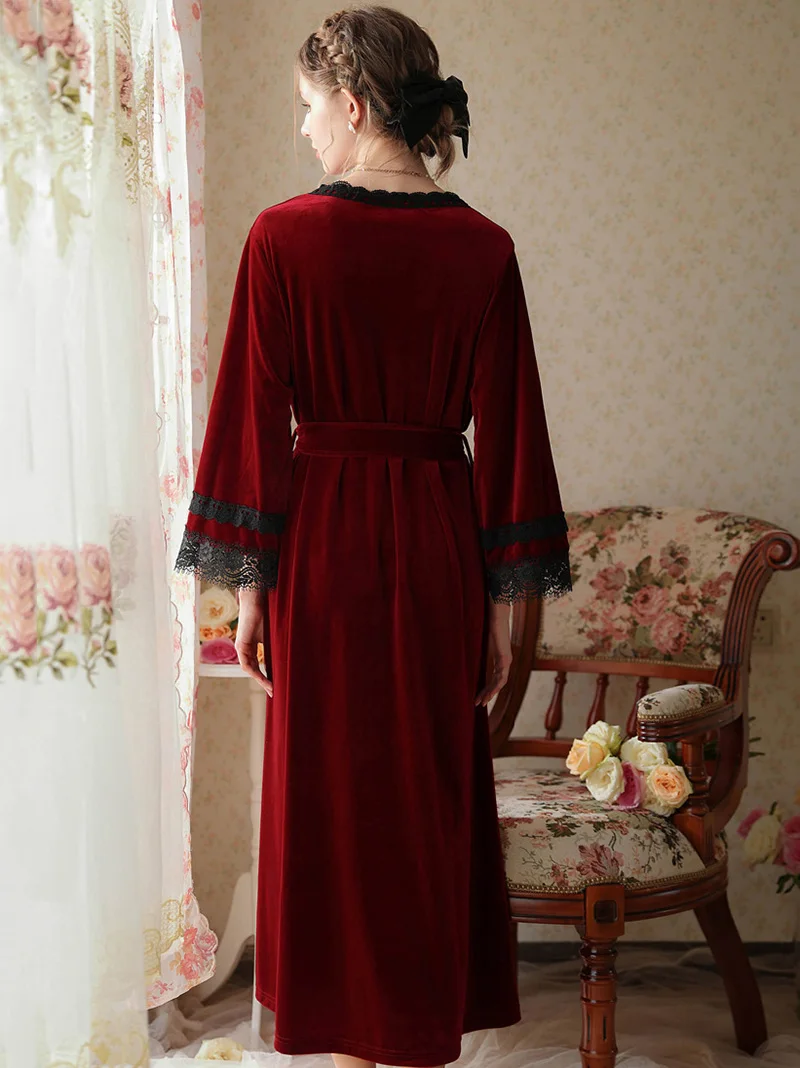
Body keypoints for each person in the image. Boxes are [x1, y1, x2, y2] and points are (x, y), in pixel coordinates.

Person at [175, 6, 572, 1067]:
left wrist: (250, 593)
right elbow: (513, 437)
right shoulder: (483, 248)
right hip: (441, 548)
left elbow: (252, 422)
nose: (302, 128)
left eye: (308, 107)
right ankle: (411, 1037)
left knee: (329, 803)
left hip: (321, 550)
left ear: (352, 105)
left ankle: (345, 1041)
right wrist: (503, 608)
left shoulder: (281, 237)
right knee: (420, 802)